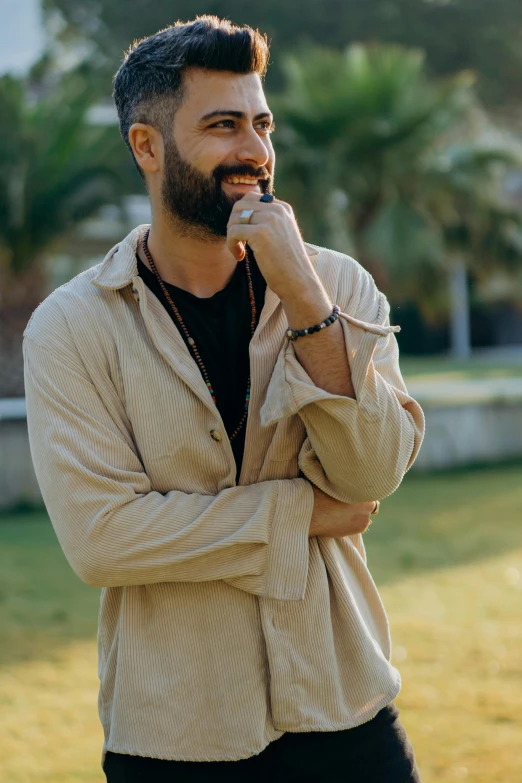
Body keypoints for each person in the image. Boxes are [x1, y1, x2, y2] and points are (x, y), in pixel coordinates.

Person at [23, 15, 426, 783]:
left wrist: (307, 302)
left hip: (347, 713)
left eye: (261, 124)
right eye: (222, 124)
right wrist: (301, 515)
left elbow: (370, 476)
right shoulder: (70, 328)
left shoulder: (336, 286)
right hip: (175, 737)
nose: (254, 150)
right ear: (147, 146)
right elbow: (104, 538)